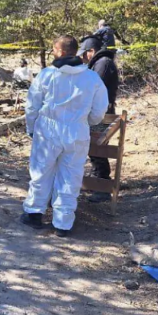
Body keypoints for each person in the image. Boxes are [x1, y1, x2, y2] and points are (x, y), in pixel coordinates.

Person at [21, 35, 109, 238]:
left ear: (60, 51)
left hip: (48, 130)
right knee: (71, 175)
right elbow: (99, 110)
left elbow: (32, 105)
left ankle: (34, 214)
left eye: (53, 49)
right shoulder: (91, 78)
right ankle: (63, 223)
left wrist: (31, 127)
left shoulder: (47, 75)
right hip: (76, 131)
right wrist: (87, 122)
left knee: (41, 172)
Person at [78, 35, 119, 203]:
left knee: (97, 148)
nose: (82, 57)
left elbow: (94, 88)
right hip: (99, 113)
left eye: (84, 54)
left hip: (101, 114)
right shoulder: (100, 63)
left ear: (91, 51)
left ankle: (102, 186)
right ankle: (98, 183)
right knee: (95, 149)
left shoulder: (103, 63)